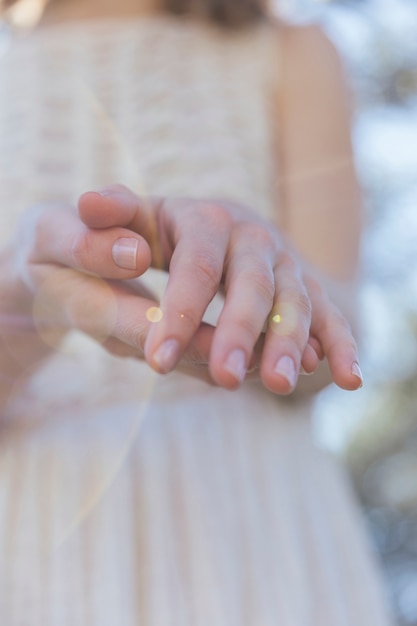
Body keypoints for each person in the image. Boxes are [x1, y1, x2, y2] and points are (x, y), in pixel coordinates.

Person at [0, 0, 393, 624]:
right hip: (36, 545)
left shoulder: (291, 51)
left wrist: (270, 293)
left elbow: (337, 345)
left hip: (254, 537)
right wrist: (35, 292)